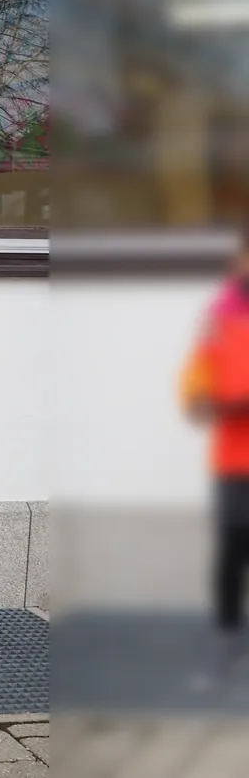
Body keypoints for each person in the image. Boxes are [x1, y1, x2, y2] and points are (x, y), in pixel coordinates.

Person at [181, 232, 249, 669]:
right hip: (234, 458)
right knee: (233, 548)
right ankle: (227, 637)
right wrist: (208, 400)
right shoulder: (221, 316)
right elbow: (197, 381)